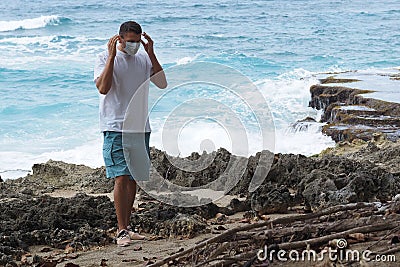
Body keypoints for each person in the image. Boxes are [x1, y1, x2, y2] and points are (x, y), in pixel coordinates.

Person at [93, 21, 167, 247]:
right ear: (120, 39)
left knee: (133, 177)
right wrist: (112, 57)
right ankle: (121, 229)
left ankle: (128, 228)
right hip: (115, 125)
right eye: (131, 42)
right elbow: (103, 88)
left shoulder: (143, 58)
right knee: (121, 176)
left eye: (138, 41)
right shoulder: (104, 58)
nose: (134, 45)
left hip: (139, 126)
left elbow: (162, 83)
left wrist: (151, 53)